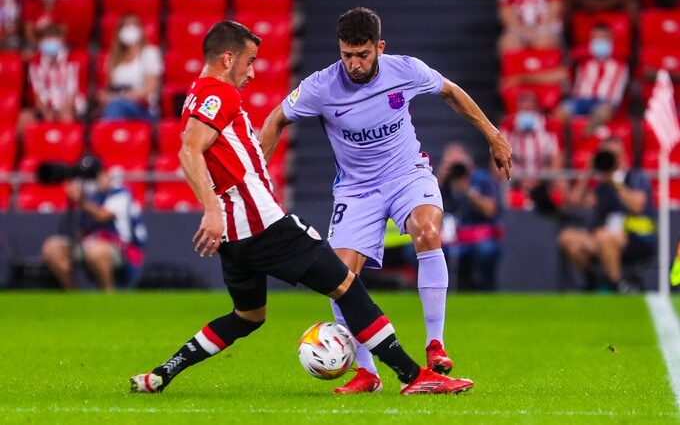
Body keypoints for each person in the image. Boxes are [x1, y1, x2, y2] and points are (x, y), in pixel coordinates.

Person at [129, 20, 473, 395]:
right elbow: (189, 150)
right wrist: (210, 208)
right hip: (263, 224)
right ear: (228, 59)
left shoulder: (195, 94)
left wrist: (223, 203)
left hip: (235, 235)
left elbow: (202, 149)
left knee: (248, 316)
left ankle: (163, 373)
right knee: (346, 285)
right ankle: (414, 376)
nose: (252, 71)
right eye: (249, 61)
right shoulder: (220, 93)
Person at [259, 7, 512, 393]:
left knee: (427, 230)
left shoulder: (405, 70)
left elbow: (452, 94)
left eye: (362, 54)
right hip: (356, 188)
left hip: (406, 174)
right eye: (346, 55)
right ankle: (367, 373)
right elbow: (277, 118)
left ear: (380, 47)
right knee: (339, 277)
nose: (354, 64)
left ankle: (435, 344)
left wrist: (493, 135)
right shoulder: (321, 86)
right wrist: (258, 174)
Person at [558, 138, 656, 292]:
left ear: (622, 157)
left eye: (613, 155)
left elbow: (637, 206)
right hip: (602, 236)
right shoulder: (602, 184)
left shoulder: (636, 176)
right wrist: (588, 172)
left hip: (635, 237)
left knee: (603, 237)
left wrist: (615, 182)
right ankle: (592, 281)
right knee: (568, 238)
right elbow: (575, 202)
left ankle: (618, 286)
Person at [41, 159, 146, 292]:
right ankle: (75, 296)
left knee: (95, 250)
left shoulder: (120, 193)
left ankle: (109, 295)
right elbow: (73, 227)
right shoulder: (88, 194)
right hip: (86, 243)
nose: (94, 181)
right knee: (52, 247)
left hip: (120, 247)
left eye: (96, 176)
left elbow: (103, 215)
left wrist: (82, 201)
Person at [437, 144, 503, 291]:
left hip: (478, 234)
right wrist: (439, 182)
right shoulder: (442, 183)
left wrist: (468, 190)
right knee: (416, 250)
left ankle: (485, 290)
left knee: (486, 249)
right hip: (450, 236)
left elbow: (490, 211)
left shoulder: (482, 179)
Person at [555, 22, 629, 136]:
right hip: (580, 101)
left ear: (611, 40)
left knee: (603, 112)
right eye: (596, 38)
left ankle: (585, 135)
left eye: (603, 38)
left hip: (605, 102)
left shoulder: (622, 65)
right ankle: (567, 141)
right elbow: (564, 66)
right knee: (561, 111)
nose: (600, 42)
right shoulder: (581, 62)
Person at [98, 13, 162, 123]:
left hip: (143, 108)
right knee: (115, 106)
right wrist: (105, 96)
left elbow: (151, 88)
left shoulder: (149, 53)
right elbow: (108, 88)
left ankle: (107, 135)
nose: (129, 30)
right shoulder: (113, 57)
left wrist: (126, 96)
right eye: (126, 26)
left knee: (116, 106)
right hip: (117, 103)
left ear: (140, 29)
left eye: (133, 26)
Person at [19, 24, 83, 132]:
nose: (51, 42)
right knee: (24, 118)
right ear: (41, 42)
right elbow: (36, 93)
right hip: (44, 107)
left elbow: (73, 91)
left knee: (66, 118)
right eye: (47, 38)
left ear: (61, 40)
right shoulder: (35, 63)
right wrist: (46, 112)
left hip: (66, 106)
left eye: (54, 38)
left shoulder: (71, 61)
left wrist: (65, 109)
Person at [497, 0, 563, 52]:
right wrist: (520, 30)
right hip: (519, 28)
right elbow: (505, 7)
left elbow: (555, 3)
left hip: (545, 27)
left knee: (544, 42)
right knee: (509, 43)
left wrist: (541, 29)